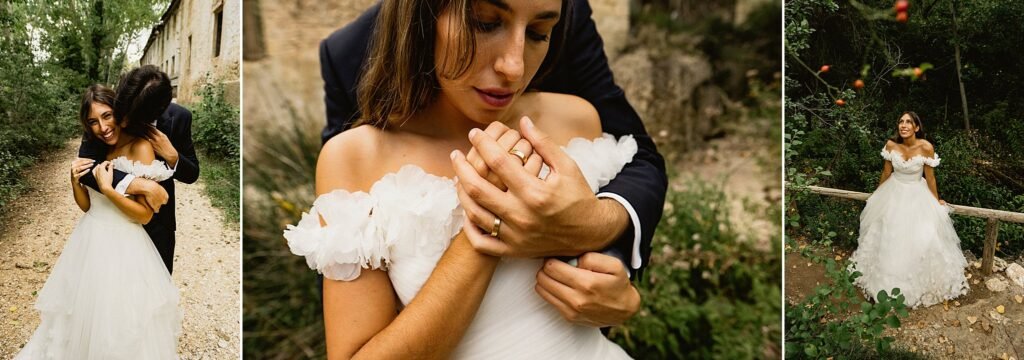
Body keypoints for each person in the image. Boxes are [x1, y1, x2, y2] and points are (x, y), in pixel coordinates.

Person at [285, 0, 661, 358]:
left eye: (538, 33)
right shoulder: (352, 158)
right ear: (424, 16)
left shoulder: (576, 119)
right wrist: (486, 220)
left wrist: (620, 288)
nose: (513, 67)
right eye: (484, 22)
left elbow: (628, 190)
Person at [15, 84, 180, 359]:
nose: (102, 127)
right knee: (80, 314)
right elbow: (86, 206)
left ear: (121, 113)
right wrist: (74, 180)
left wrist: (109, 190)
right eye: (93, 121)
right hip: (89, 239)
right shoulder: (97, 149)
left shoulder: (141, 147)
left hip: (123, 244)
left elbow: (144, 215)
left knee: (117, 320)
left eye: (107, 116)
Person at [76, 65, 200, 274]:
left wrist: (172, 155)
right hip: (113, 222)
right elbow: (86, 167)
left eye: (130, 116)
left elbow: (192, 174)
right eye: (120, 111)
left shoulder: (179, 118)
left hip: (159, 223)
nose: (122, 120)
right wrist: (137, 184)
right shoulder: (108, 109)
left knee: (156, 290)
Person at [849, 111, 969, 308]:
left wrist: (936, 200)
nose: (903, 125)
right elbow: (886, 172)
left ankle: (913, 286)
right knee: (887, 235)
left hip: (916, 195)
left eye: (908, 122)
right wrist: (876, 195)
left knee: (921, 236)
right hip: (893, 193)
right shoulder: (891, 145)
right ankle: (882, 286)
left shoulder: (926, 147)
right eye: (901, 122)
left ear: (916, 127)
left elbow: (930, 178)